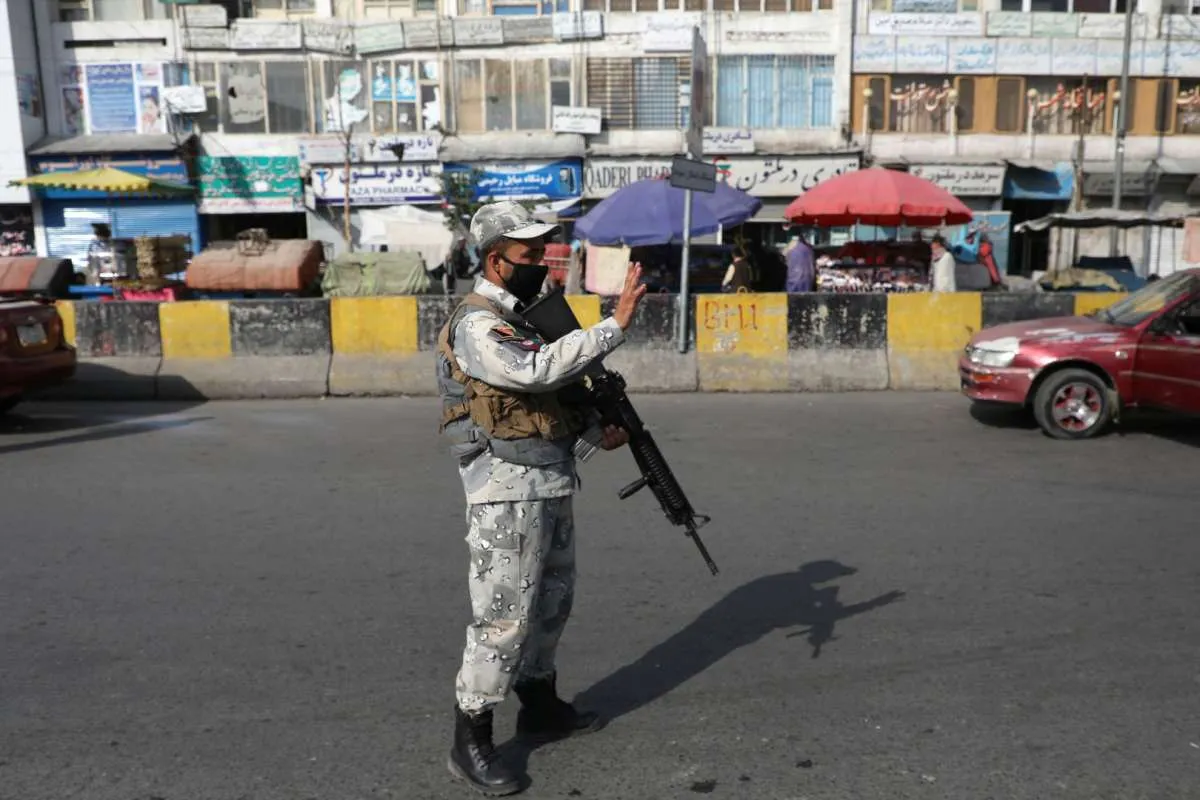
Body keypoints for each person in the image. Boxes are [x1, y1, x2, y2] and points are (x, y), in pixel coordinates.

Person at [435, 200, 647, 795]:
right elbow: (531, 373)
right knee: (503, 617)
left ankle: (540, 702)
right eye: (529, 255)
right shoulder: (478, 323)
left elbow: (544, 402)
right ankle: (470, 737)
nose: (542, 264)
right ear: (497, 261)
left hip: (548, 479)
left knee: (552, 601)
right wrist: (614, 326)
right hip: (504, 491)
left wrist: (592, 432)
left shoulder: (526, 316)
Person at [785, 228, 815, 293]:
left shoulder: (791, 247)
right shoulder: (808, 249)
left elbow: (786, 260)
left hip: (794, 280)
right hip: (806, 280)